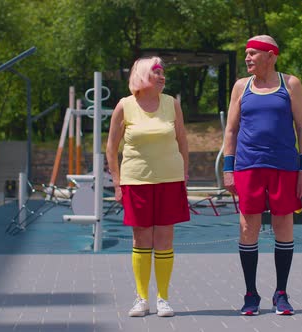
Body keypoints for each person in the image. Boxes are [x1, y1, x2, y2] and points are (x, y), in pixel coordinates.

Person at [223, 35, 302, 316]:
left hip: (284, 166)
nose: (247, 58)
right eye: (246, 54)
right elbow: (231, 130)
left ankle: (281, 294)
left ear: (271, 55)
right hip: (248, 166)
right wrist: (228, 168)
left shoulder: (291, 84)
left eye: (253, 54)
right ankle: (251, 294)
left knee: (283, 226)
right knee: (248, 227)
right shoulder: (241, 86)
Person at [106, 56, 190, 318]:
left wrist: (184, 176)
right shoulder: (124, 106)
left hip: (170, 180)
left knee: (164, 239)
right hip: (136, 181)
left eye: (163, 72)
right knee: (141, 238)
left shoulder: (171, 104)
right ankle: (141, 298)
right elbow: (111, 148)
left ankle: (163, 298)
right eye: (156, 72)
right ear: (142, 76)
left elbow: (183, 141)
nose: (162, 76)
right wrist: (117, 182)